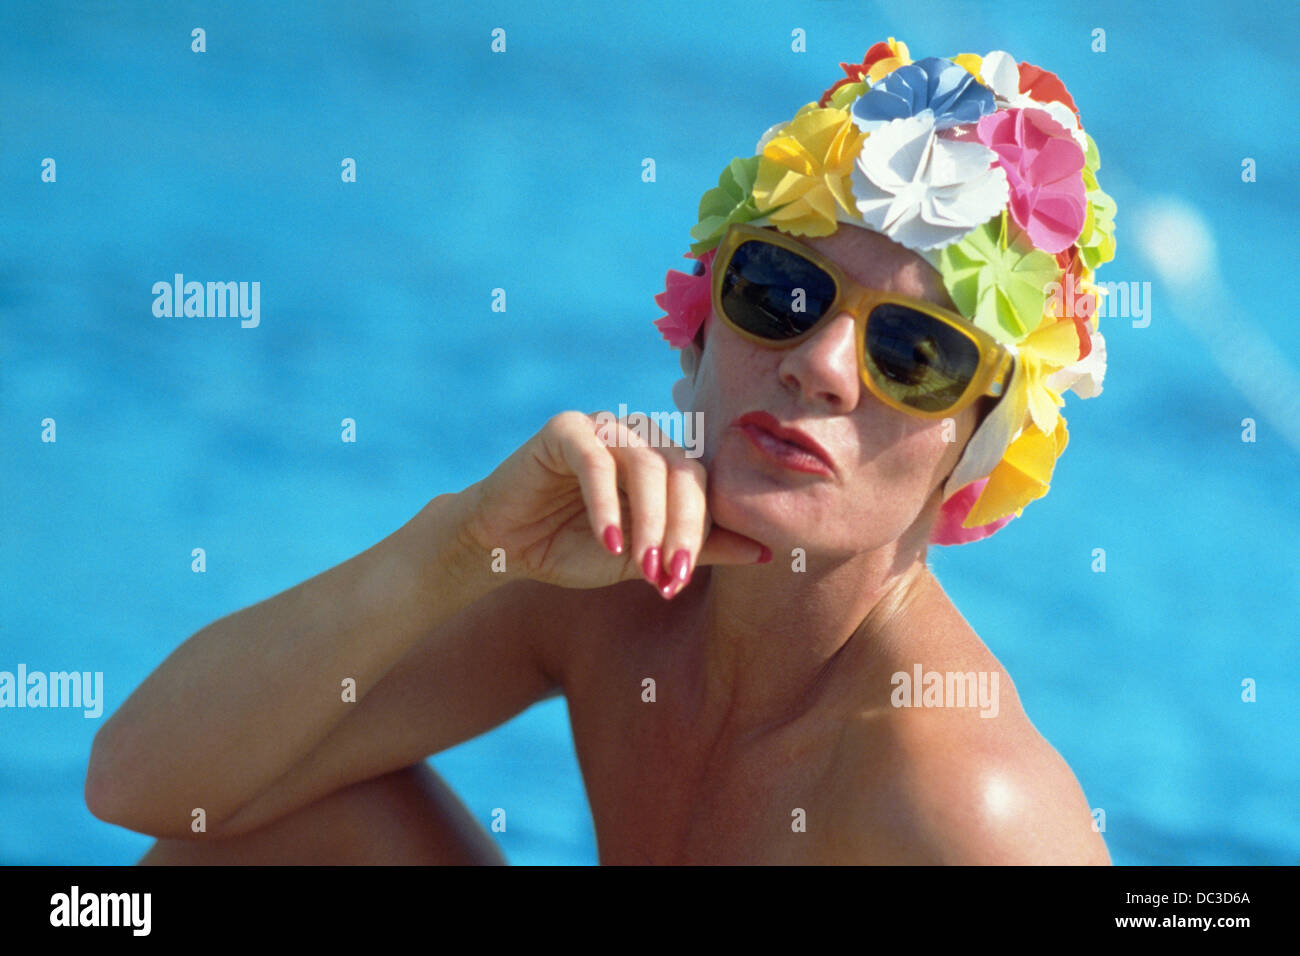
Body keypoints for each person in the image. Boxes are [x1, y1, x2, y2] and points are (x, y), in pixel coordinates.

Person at [85, 39, 1116, 864]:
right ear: (705, 323)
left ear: (973, 447)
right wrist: (462, 541)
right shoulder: (606, 578)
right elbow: (142, 783)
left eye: (915, 352)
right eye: (780, 290)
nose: (820, 365)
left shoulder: (963, 808)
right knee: (294, 829)